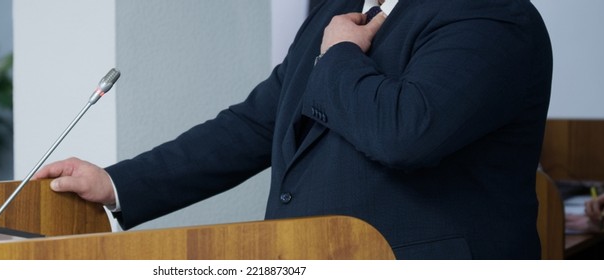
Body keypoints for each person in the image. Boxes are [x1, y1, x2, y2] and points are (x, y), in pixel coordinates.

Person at [33, 0, 553, 259]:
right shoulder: (338, 11)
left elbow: (406, 131)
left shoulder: (491, 16)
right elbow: (257, 123)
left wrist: (342, 53)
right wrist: (119, 184)